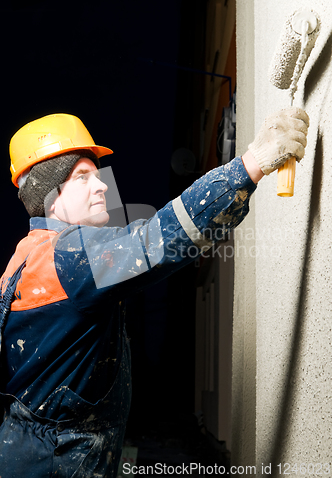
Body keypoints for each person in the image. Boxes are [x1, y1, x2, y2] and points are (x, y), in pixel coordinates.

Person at [0, 108, 309, 477]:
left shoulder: (27, 256)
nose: (101, 186)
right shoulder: (69, 256)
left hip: (31, 452)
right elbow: (159, 239)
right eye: (82, 177)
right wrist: (251, 165)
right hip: (56, 464)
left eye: (98, 176)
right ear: (50, 195)